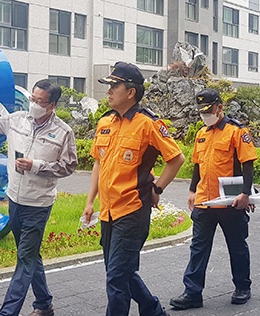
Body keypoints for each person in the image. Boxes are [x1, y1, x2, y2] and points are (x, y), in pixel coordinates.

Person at [0, 78, 78, 316]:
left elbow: (68, 166)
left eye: (40, 101)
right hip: (15, 200)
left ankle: (7, 313)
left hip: (39, 204)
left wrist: (36, 165)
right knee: (29, 255)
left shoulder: (63, 132)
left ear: (52, 105)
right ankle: (44, 305)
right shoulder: (17, 120)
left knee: (25, 261)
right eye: (33, 99)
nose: (34, 104)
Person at [82, 62, 185, 316]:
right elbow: (99, 162)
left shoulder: (147, 123)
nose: (109, 91)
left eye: (114, 86)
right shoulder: (105, 123)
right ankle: (152, 309)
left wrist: (157, 189)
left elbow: (176, 159)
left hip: (132, 210)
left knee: (116, 279)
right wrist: (89, 202)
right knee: (121, 272)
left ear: (131, 92)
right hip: (107, 211)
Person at [169, 89, 257, 310]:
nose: (204, 115)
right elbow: (198, 166)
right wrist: (191, 191)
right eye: (201, 111)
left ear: (219, 107)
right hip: (204, 201)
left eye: (208, 110)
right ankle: (192, 292)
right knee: (198, 248)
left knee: (236, 246)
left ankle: (242, 287)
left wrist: (246, 194)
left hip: (230, 201)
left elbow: (248, 163)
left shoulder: (236, 131)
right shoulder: (201, 133)